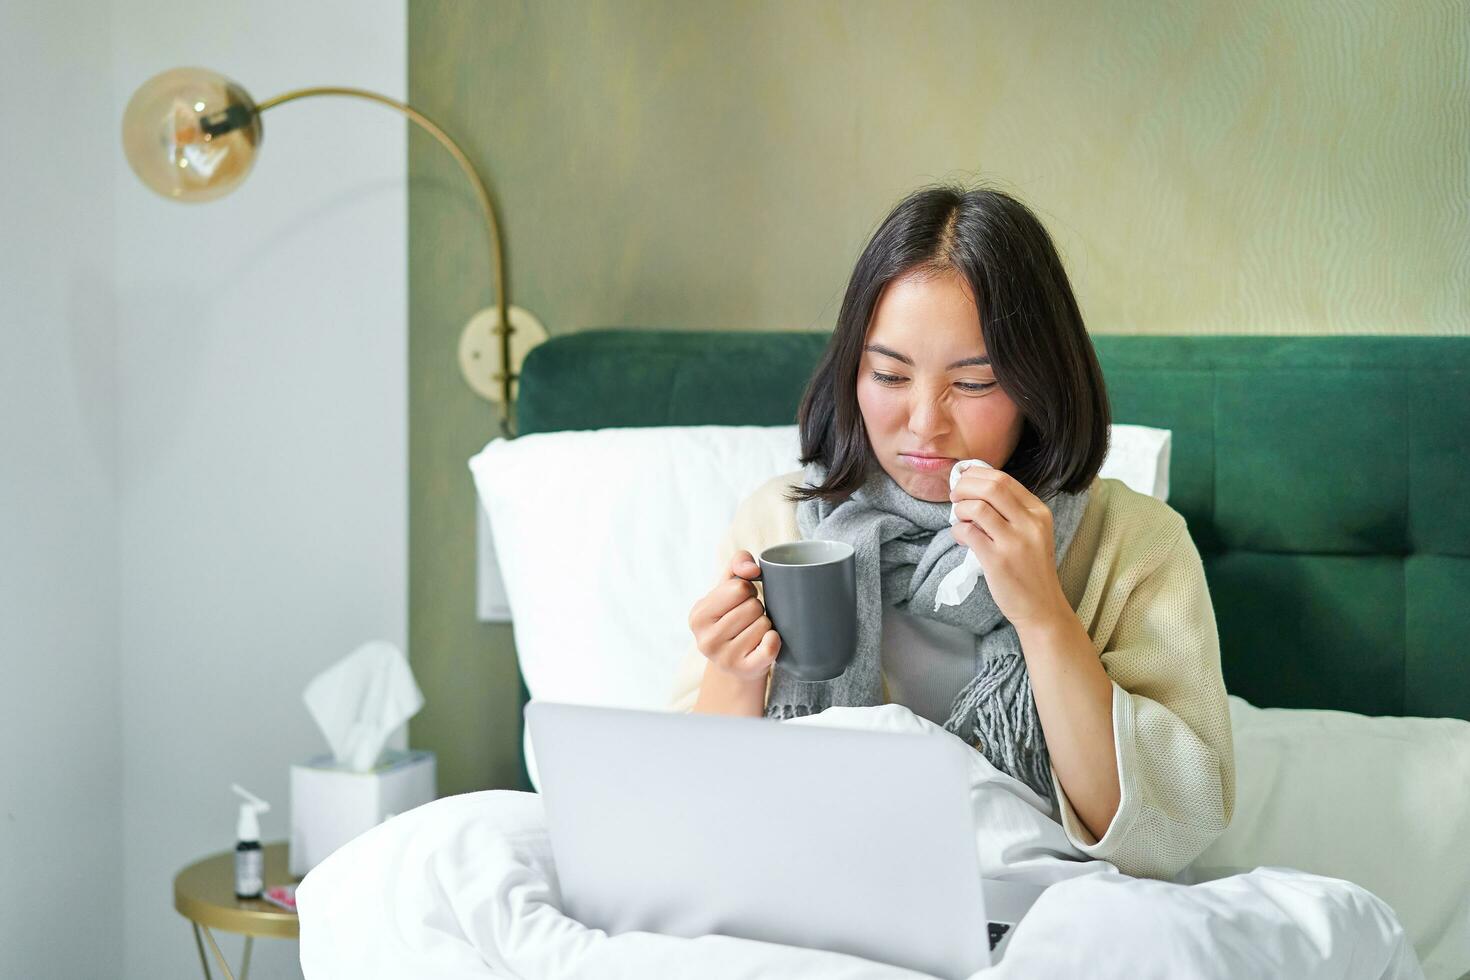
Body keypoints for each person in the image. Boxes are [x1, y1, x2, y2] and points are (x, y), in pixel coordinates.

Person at [667, 182, 1233, 881]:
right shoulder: (782, 524)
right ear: (853, 371)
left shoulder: (1134, 542)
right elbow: (692, 811)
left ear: (1038, 383)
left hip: (1039, 910)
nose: (925, 423)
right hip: (819, 891)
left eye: (973, 383)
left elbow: (1166, 833)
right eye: (889, 374)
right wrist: (733, 672)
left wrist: (1045, 615)